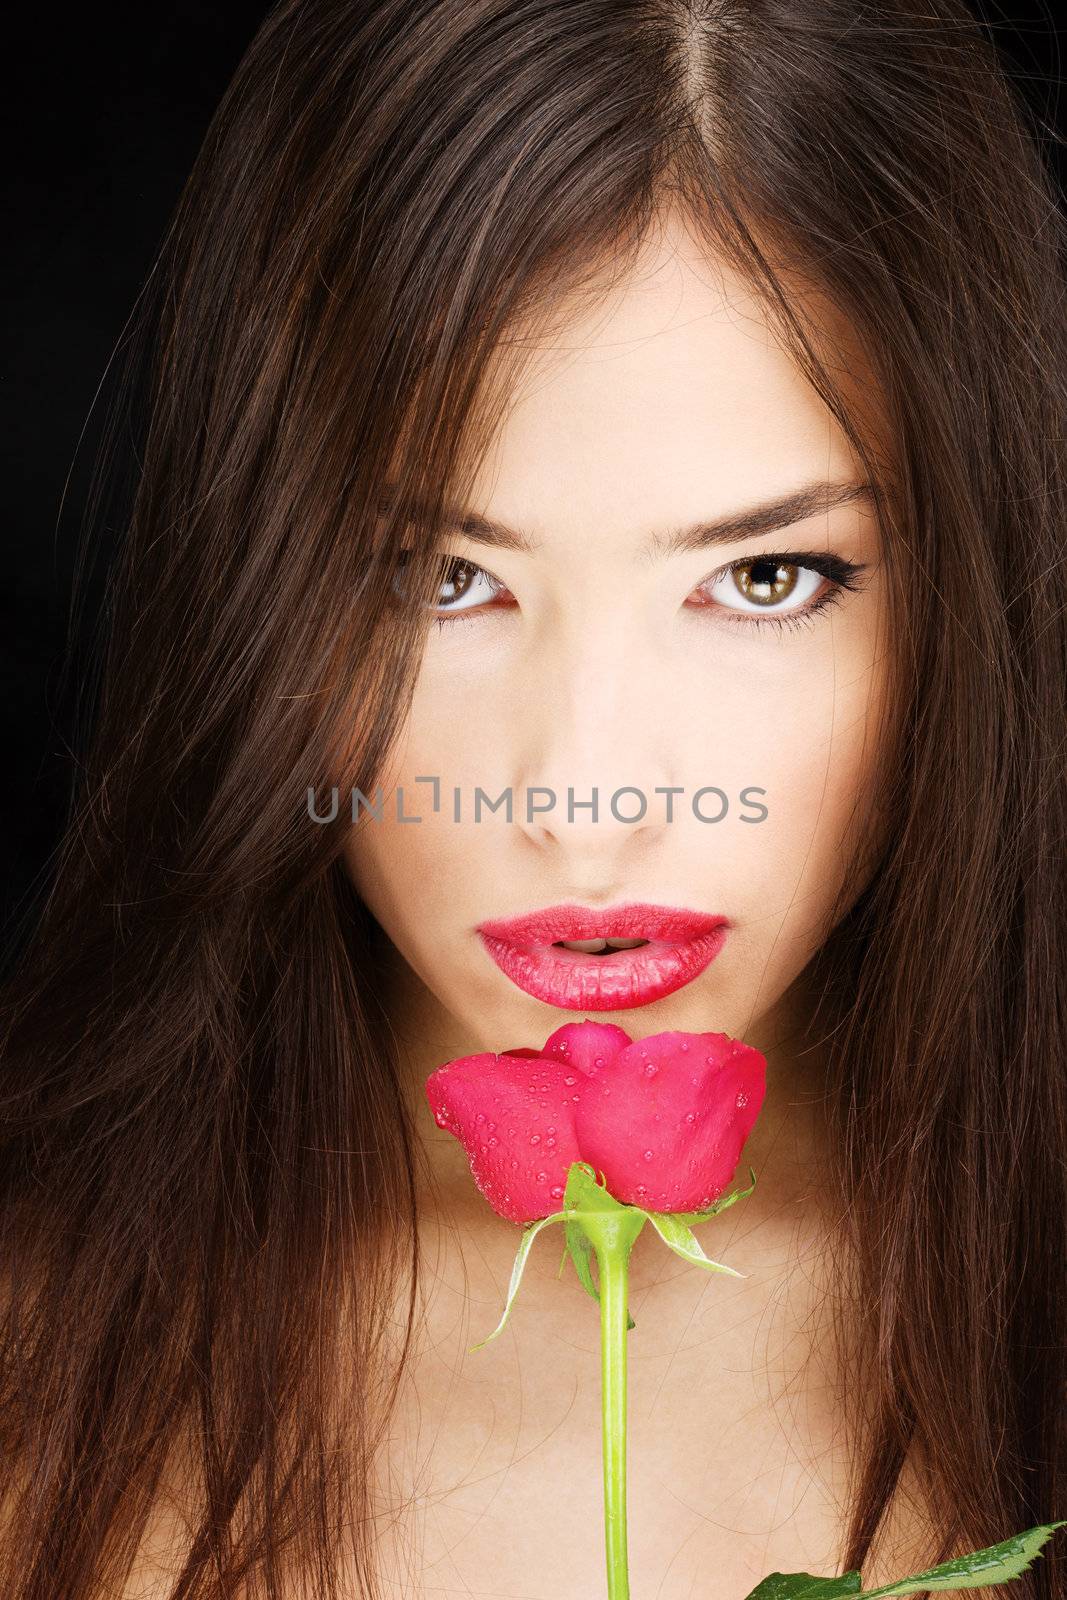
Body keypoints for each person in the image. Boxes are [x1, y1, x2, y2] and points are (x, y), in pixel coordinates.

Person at [1, 2, 1064, 1597]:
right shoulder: (38, 1353)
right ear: (252, 578)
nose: (587, 804)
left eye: (764, 578)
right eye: (441, 576)